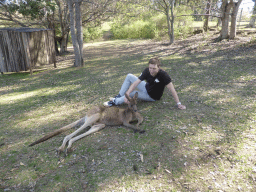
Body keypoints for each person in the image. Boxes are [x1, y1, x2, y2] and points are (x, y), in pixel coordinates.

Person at [104, 57, 186, 110]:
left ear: (159, 67)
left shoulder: (164, 75)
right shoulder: (147, 70)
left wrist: (178, 104)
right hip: (146, 87)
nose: (151, 70)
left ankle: (115, 102)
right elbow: (136, 83)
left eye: (154, 68)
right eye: (150, 68)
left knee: (132, 93)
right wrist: (127, 94)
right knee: (129, 76)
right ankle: (119, 96)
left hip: (152, 96)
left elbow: (172, 90)